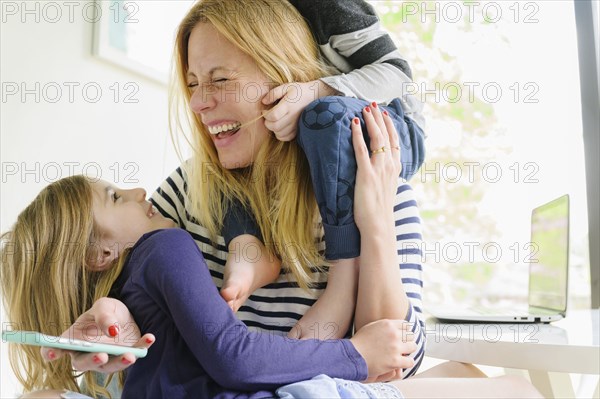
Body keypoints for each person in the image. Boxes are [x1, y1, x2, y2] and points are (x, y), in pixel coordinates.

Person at [3, 114, 541, 399]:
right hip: (288, 386)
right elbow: (233, 356)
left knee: (465, 370)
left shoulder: (376, 182)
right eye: (116, 197)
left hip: (310, 373)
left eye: (222, 80)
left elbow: (403, 353)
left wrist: (371, 225)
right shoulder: (168, 231)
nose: (141, 192)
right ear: (98, 252)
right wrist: (355, 354)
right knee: (518, 388)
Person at [218, 0, 426, 327]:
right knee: (241, 142)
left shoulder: (330, 7)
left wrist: (314, 92)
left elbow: (396, 75)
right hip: (317, 136)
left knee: (321, 116)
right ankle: (247, 248)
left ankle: (344, 274)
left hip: (391, 129)